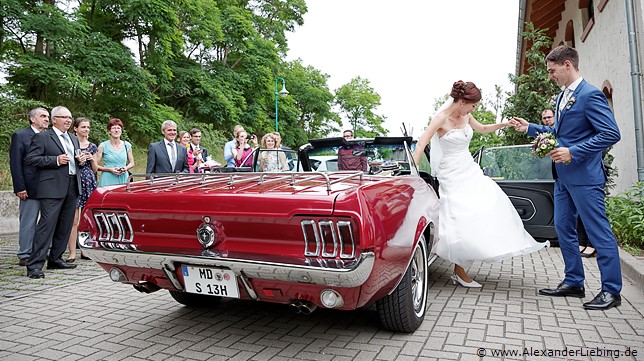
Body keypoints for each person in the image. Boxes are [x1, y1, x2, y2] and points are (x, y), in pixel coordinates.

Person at [512, 45, 621, 310]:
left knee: (598, 232)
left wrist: (573, 151)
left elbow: (610, 133)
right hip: (562, 178)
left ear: (567, 65)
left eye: (552, 71)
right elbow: (561, 134)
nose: (551, 75)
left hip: (585, 177)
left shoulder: (590, 95)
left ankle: (611, 291)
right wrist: (530, 128)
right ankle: (574, 281)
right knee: (563, 229)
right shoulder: (562, 97)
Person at [412, 80, 548, 287]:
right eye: (473, 105)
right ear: (461, 101)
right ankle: (458, 267)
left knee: (489, 201)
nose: (473, 109)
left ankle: (464, 264)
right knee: (461, 214)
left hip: (469, 168)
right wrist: (412, 173)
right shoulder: (440, 118)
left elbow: (483, 128)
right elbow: (422, 143)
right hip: (451, 173)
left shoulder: (466, 115)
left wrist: (504, 124)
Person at [24, 106, 81, 278]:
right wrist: (55, 160)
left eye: (70, 117)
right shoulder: (42, 137)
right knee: (46, 226)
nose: (68, 120)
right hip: (51, 188)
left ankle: (55, 259)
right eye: (64, 117)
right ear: (54, 119)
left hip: (72, 184)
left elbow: (74, 159)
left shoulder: (73, 138)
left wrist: (81, 160)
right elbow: (31, 159)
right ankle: (34, 265)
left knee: (65, 225)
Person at [9, 107, 49, 266]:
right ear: (32, 119)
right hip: (29, 188)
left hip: (49, 187)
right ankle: (25, 254)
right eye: (43, 116)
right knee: (28, 222)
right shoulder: (21, 136)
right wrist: (20, 187)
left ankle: (41, 251)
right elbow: (15, 164)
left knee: (47, 222)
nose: (47, 119)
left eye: (47, 116)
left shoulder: (49, 136)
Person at [65, 117, 97, 262]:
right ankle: (72, 252)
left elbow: (95, 169)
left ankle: (85, 250)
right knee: (74, 220)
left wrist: (91, 159)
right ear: (75, 128)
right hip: (75, 181)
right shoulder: (71, 144)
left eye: (88, 127)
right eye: (83, 127)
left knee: (87, 218)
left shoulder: (92, 146)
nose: (86, 130)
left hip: (89, 182)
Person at [96, 118, 134, 186]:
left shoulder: (127, 145)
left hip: (123, 178)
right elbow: (95, 166)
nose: (116, 130)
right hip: (108, 179)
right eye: (113, 128)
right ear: (109, 131)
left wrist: (126, 168)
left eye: (118, 128)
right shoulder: (102, 146)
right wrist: (109, 169)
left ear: (121, 130)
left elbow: (132, 163)